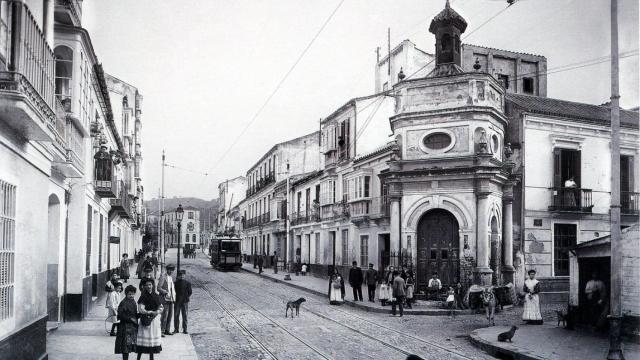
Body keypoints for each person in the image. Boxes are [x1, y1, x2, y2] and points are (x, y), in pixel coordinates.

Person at [137, 278, 164, 358]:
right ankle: (138, 358)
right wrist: (148, 312)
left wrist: (157, 311)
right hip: (146, 319)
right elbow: (140, 308)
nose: (148, 286)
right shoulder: (143, 296)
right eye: (146, 285)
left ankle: (151, 358)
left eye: (150, 285)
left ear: (153, 285)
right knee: (144, 340)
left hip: (154, 321)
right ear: (144, 286)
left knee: (152, 339)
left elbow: (161, 307)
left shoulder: (156, 295)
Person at [115, 285, 138, 359]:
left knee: (129, 345)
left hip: (131, 327)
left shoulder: (133, 302)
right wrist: (130, 319)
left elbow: (134, 314)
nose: (131, 296)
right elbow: (120, 315)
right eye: (129, 294)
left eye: (133, 294)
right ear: (126, 294)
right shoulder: (123, 303)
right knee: (125, 346)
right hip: (124, 327)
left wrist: (140, 315)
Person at [157, 264, 176, 336]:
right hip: (164, 298)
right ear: (167, 270)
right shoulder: (163, 277)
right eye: (169, 270)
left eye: (172, 270)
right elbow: (158, 288)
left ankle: (167, 330)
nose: (171, 271)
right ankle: (162, 331)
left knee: (170, 315)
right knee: (164, 315)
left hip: (170, 298)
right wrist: (165, 292)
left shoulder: (171, 277)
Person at [174, 270, 192, 334]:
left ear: (185, 275)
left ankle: (185, 329)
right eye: (180, 275)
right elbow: (174, 292)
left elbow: (190, 292)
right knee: (176, 315)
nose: (182, 276)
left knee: (185, 316)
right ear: (179, 276)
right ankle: (176, 329)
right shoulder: (175, 283)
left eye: (183, 275)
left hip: (184, 301)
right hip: (177, 301)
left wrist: (186, 297)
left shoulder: (188, 283)